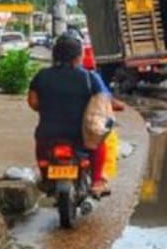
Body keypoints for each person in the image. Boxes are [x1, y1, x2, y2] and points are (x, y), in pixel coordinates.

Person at [27, 35, 117, 196]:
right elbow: (103, 102)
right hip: (80, 135)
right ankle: (97, 182)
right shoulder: (89, 77)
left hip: (48, 133)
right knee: (99, 142)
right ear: (78, 56)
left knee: (41, 147)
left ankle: (46, 177)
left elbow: (33, 103)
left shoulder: (42, 76)